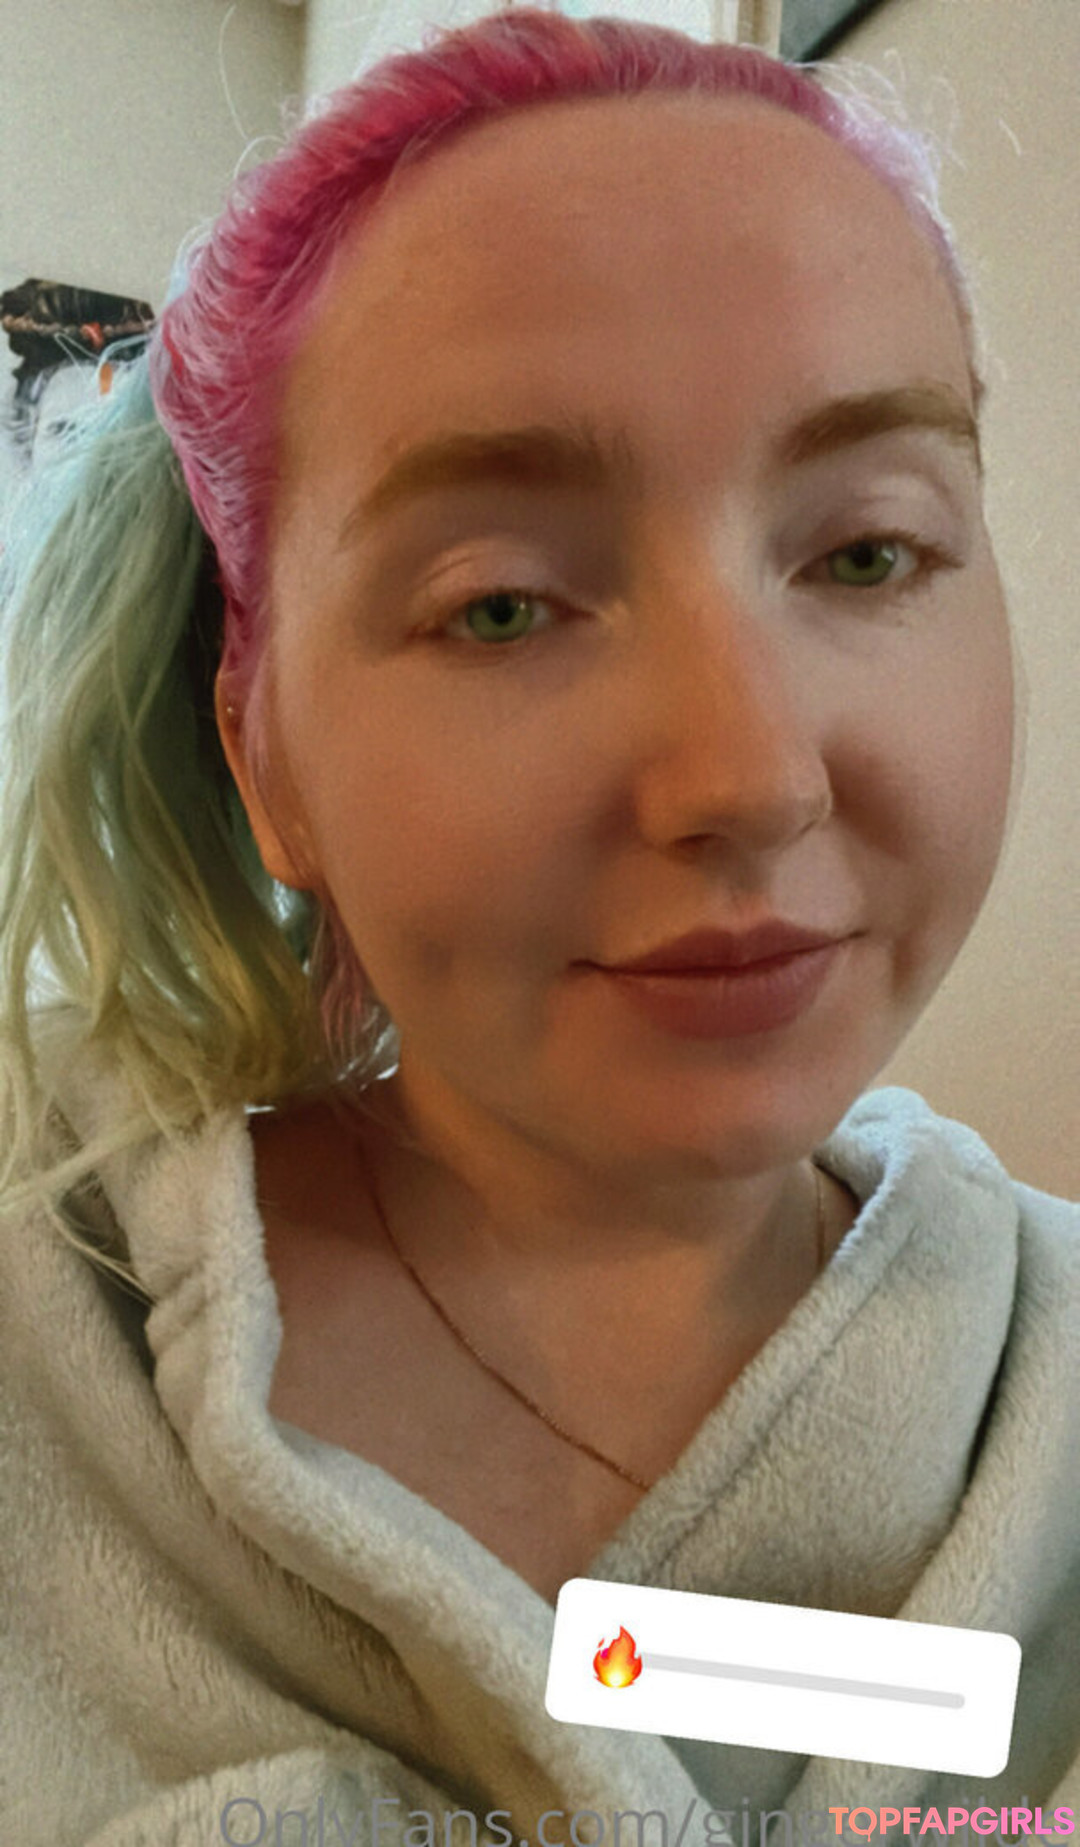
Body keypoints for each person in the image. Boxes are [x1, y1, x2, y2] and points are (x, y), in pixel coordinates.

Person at [0, 9, 1076, 1844]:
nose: (751, 776)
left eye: (866, 553)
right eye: (501, 605)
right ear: (264, 752)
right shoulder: (51, 1332)